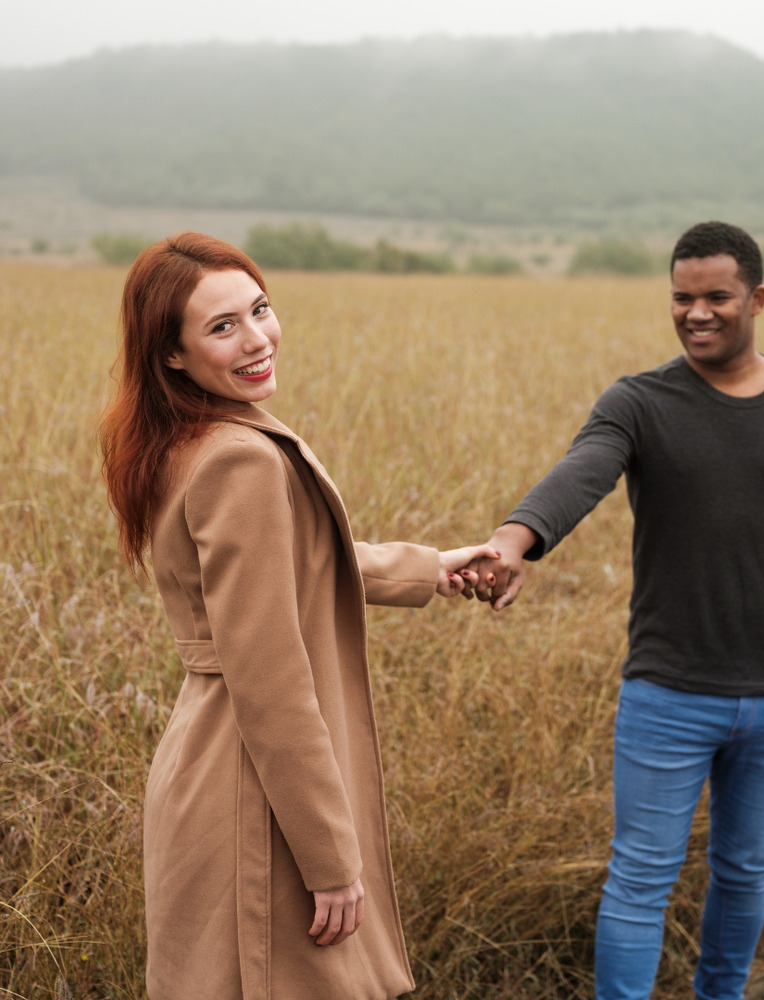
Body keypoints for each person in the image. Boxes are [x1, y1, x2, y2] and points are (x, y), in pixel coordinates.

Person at [99, 232, 495, 1000]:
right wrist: (329, 860)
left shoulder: (186, 438)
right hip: (255, 796)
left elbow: (300, 561)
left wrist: (431, 566)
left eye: (260, 309)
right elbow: (270, 680)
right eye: (222, 327)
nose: (256, 339)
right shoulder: (238, 458)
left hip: (217, 768)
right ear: (171, 355)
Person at [472, 221, 764, 1000]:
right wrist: (513, 541)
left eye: (716, 296)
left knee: (747, 868)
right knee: (641, 877)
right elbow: (581, 473)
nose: (696, 313)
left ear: (756, 298)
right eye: (681, 298)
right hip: (668, 695)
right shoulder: (640, 402)